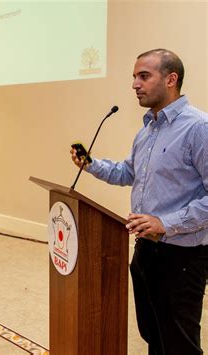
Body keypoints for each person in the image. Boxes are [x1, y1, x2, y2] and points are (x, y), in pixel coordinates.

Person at [70, 49, 207, 354]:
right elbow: (127, 172)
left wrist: (165, 223)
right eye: (134, 76)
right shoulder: (146, 131)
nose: (135, 84)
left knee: (179, 342)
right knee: (153, 334)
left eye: (144, 76)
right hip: (145, 249)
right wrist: (91, 164)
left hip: (182, 256)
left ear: (171, 79)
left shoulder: (199, 128)